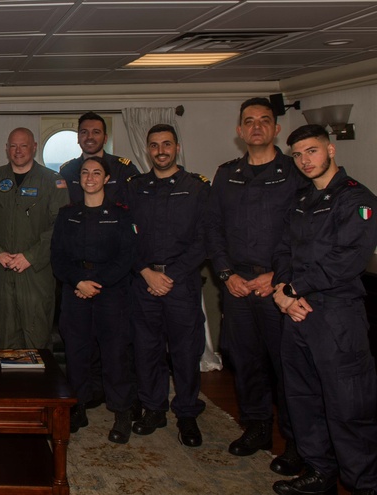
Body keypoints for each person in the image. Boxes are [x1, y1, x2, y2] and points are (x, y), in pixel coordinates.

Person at [271, 124, 377, 495]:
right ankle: (320, 474)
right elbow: (282, 250)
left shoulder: (356, 199)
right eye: (298, 155)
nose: (305, 160)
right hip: (296, 314)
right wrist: (283, 294)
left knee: (349, 406)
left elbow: (347, 260)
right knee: (303, 400)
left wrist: (294, 289)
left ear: (330, 150)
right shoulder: (300, 199)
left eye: (312, 151)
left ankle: (364, 483)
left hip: (336, 317)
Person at [206, 97, 305, 474]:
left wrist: (278, 277)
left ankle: (296, 442)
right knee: (245, 362)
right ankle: (257, 429)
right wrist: (227, 274)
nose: (257, 127)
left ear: (276, 128)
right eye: (249, 121)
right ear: (240, 130)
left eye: (265, 121)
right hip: (237, 285)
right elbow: (212, 228)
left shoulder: (294, 172)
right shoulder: (226, 173)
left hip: (278, 287)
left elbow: (302, 232)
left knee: (287, 367)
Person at [126, 124, 210, 448]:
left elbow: (205, 239)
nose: (160, 151)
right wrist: (146, 272)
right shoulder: (134, 188)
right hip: (143, 283)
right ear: (148, 149)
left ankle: (187, 414)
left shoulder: (198, 187)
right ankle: (154, 408)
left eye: (166, 144)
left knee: (185, 352)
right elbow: (124, 236)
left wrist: (170, 275)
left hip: (182, 284)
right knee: (147, 351)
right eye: (154, 145)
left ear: (177, 147)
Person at [51, 156, 136, 444]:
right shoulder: (67, 214)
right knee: (76, 354)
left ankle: (122, 412)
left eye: (96, 173)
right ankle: (78, 408)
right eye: (85, 172)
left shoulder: (121, 215)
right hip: (76, 291)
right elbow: (58, 257)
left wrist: (95, 284)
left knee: (114, 355)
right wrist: (78, 282)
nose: (90, 177)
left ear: (107, 179)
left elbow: (126, 257)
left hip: (110, 292)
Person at [0, 127, 68, 350]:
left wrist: (30, 256)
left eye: (23, 145)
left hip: (37, 272)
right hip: (2, 270)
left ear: (34, 148)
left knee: (37, 337)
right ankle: (11, 385)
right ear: (6, 148)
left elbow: (59, 226)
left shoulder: (52, 181)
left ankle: (40, 386)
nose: (18, 150)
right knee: (6, 339)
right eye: (13, 145)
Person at [59, 112, 141, 204]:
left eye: (96, 132)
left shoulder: (123, 169)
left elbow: (138, 204)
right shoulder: (67, 171)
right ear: (78, 138)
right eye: (84, 132)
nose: (90, 137)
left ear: (105, 138)